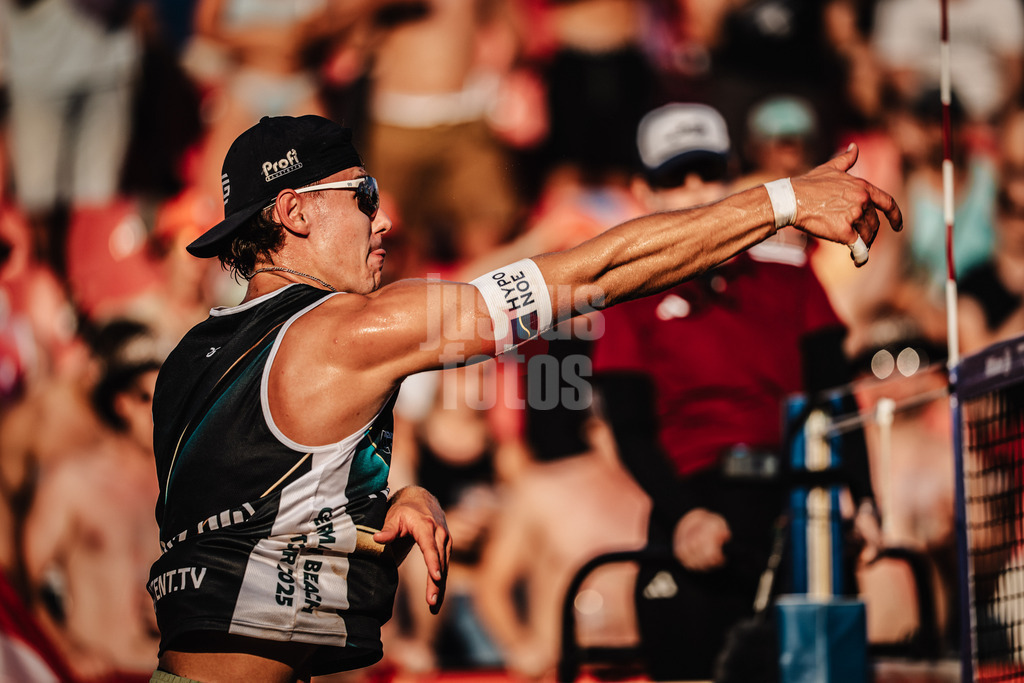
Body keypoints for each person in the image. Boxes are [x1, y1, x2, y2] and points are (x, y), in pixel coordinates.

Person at [149, 113, 900, 682]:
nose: (385, 220)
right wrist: (781, 201)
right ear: (295, 212)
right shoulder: (349, 329)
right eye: (364, 195)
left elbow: (240, 504)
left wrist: (377, 503)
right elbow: (590, 276)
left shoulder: (191, 358)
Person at [590, 102, 882, 680]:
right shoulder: (627, 296)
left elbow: (835, 396)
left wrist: (864, 497)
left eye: (708, 171)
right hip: (697, 505)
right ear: (643, 191)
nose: (695, 190)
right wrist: (686, 515)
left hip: (799, 502)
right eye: (675, 177)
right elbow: (631, 428)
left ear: (733, 178)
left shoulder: (790, 277)